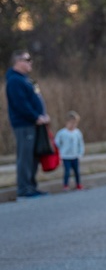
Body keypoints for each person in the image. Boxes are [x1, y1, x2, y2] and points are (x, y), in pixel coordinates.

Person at [5, 49, 50, 198]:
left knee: (33, 157)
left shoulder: (25, 79)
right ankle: (24, 189)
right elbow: (20, 104)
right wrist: (35, 117)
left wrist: (43, 116)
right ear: (18, 62)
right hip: (24, 125)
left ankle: (32, 186)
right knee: (25, 157)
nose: (31, 62)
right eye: (27, 59)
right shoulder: (14, 81)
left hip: (35, 124)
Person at [54, 110, 85, 191]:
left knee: (77, 172)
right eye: (71, 123)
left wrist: (80, 153)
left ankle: (78, 184)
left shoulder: (77, 133)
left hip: (75, 156)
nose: (72, 125)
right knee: (67, 171)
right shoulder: (62, 133)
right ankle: (65, 185)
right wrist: (59, 152)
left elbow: (80, 143)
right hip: (65, 156)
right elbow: (56, 143)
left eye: (74, 123)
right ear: (66, 122)